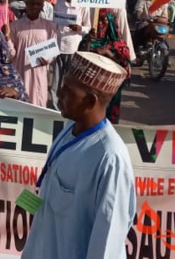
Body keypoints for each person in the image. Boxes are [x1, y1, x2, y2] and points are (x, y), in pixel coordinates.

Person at [22, 52, 135, 258]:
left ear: (90, 102)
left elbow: (107, 242)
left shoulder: (110, 157)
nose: (58, 94)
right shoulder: (70, 129)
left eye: (67, 91)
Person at [78, 8, 134, 124]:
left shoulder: (119, 44)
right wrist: (88, 43)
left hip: (110, 92)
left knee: (108, 122)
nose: (101, 24)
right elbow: (81, 59)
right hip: (91, 89)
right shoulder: (88, 39)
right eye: (99, 20)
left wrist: (107, 53)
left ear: (112, 22)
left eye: (105, 20)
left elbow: (123, 66)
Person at [6, 0, 56, 107]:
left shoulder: (49, 26)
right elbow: (11, 54)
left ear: (42, 7)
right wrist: (7, 38)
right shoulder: (15, 26)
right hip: (20, 74)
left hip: (39, 75)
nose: (34, 6)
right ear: (26, 4)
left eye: (38, 4)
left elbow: (52, 52)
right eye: (32, 3)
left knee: (38, 105)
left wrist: (47, 60)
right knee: (19, 106)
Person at [52, 0, 91, 110]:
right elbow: (54, 23)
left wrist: (80, 28)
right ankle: (55, 107)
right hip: (58, 46)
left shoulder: (82, 6)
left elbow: (88, 27)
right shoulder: (59, 4)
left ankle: (68, 106)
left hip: (73, 47)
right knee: (56, 80)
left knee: (70, 81)